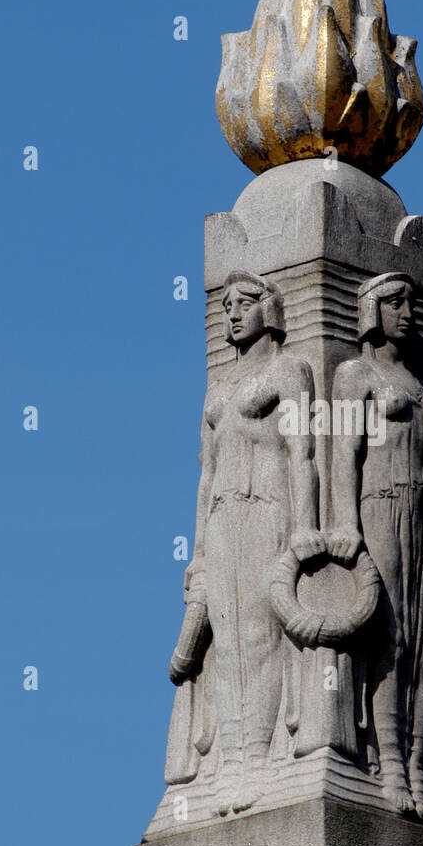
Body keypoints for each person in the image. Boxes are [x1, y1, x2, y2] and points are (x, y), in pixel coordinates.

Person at [169, 270, 324, 815]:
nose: (232, 313)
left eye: (245, 303)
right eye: (227, 305)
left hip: (269, 513)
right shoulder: (216, 392)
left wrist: (306, 532)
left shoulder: (290, 371)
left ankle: (257, 758)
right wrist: (198, 555)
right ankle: (229, 760)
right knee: (227, 642)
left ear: (270, 309)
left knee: (261, 637)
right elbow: (204, 477)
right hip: (222, 518)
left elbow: (303, 453)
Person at [327, 271, 423, 819]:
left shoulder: (421, 387)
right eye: (394, 302)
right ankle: (389, 763)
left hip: (421, 520)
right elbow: (344, 455)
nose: (407, 312)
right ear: (371, 311)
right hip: (378, 507)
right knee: (389, 639)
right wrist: (346, 528)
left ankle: (419, 768)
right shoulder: (354, 375)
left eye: (411, 302)